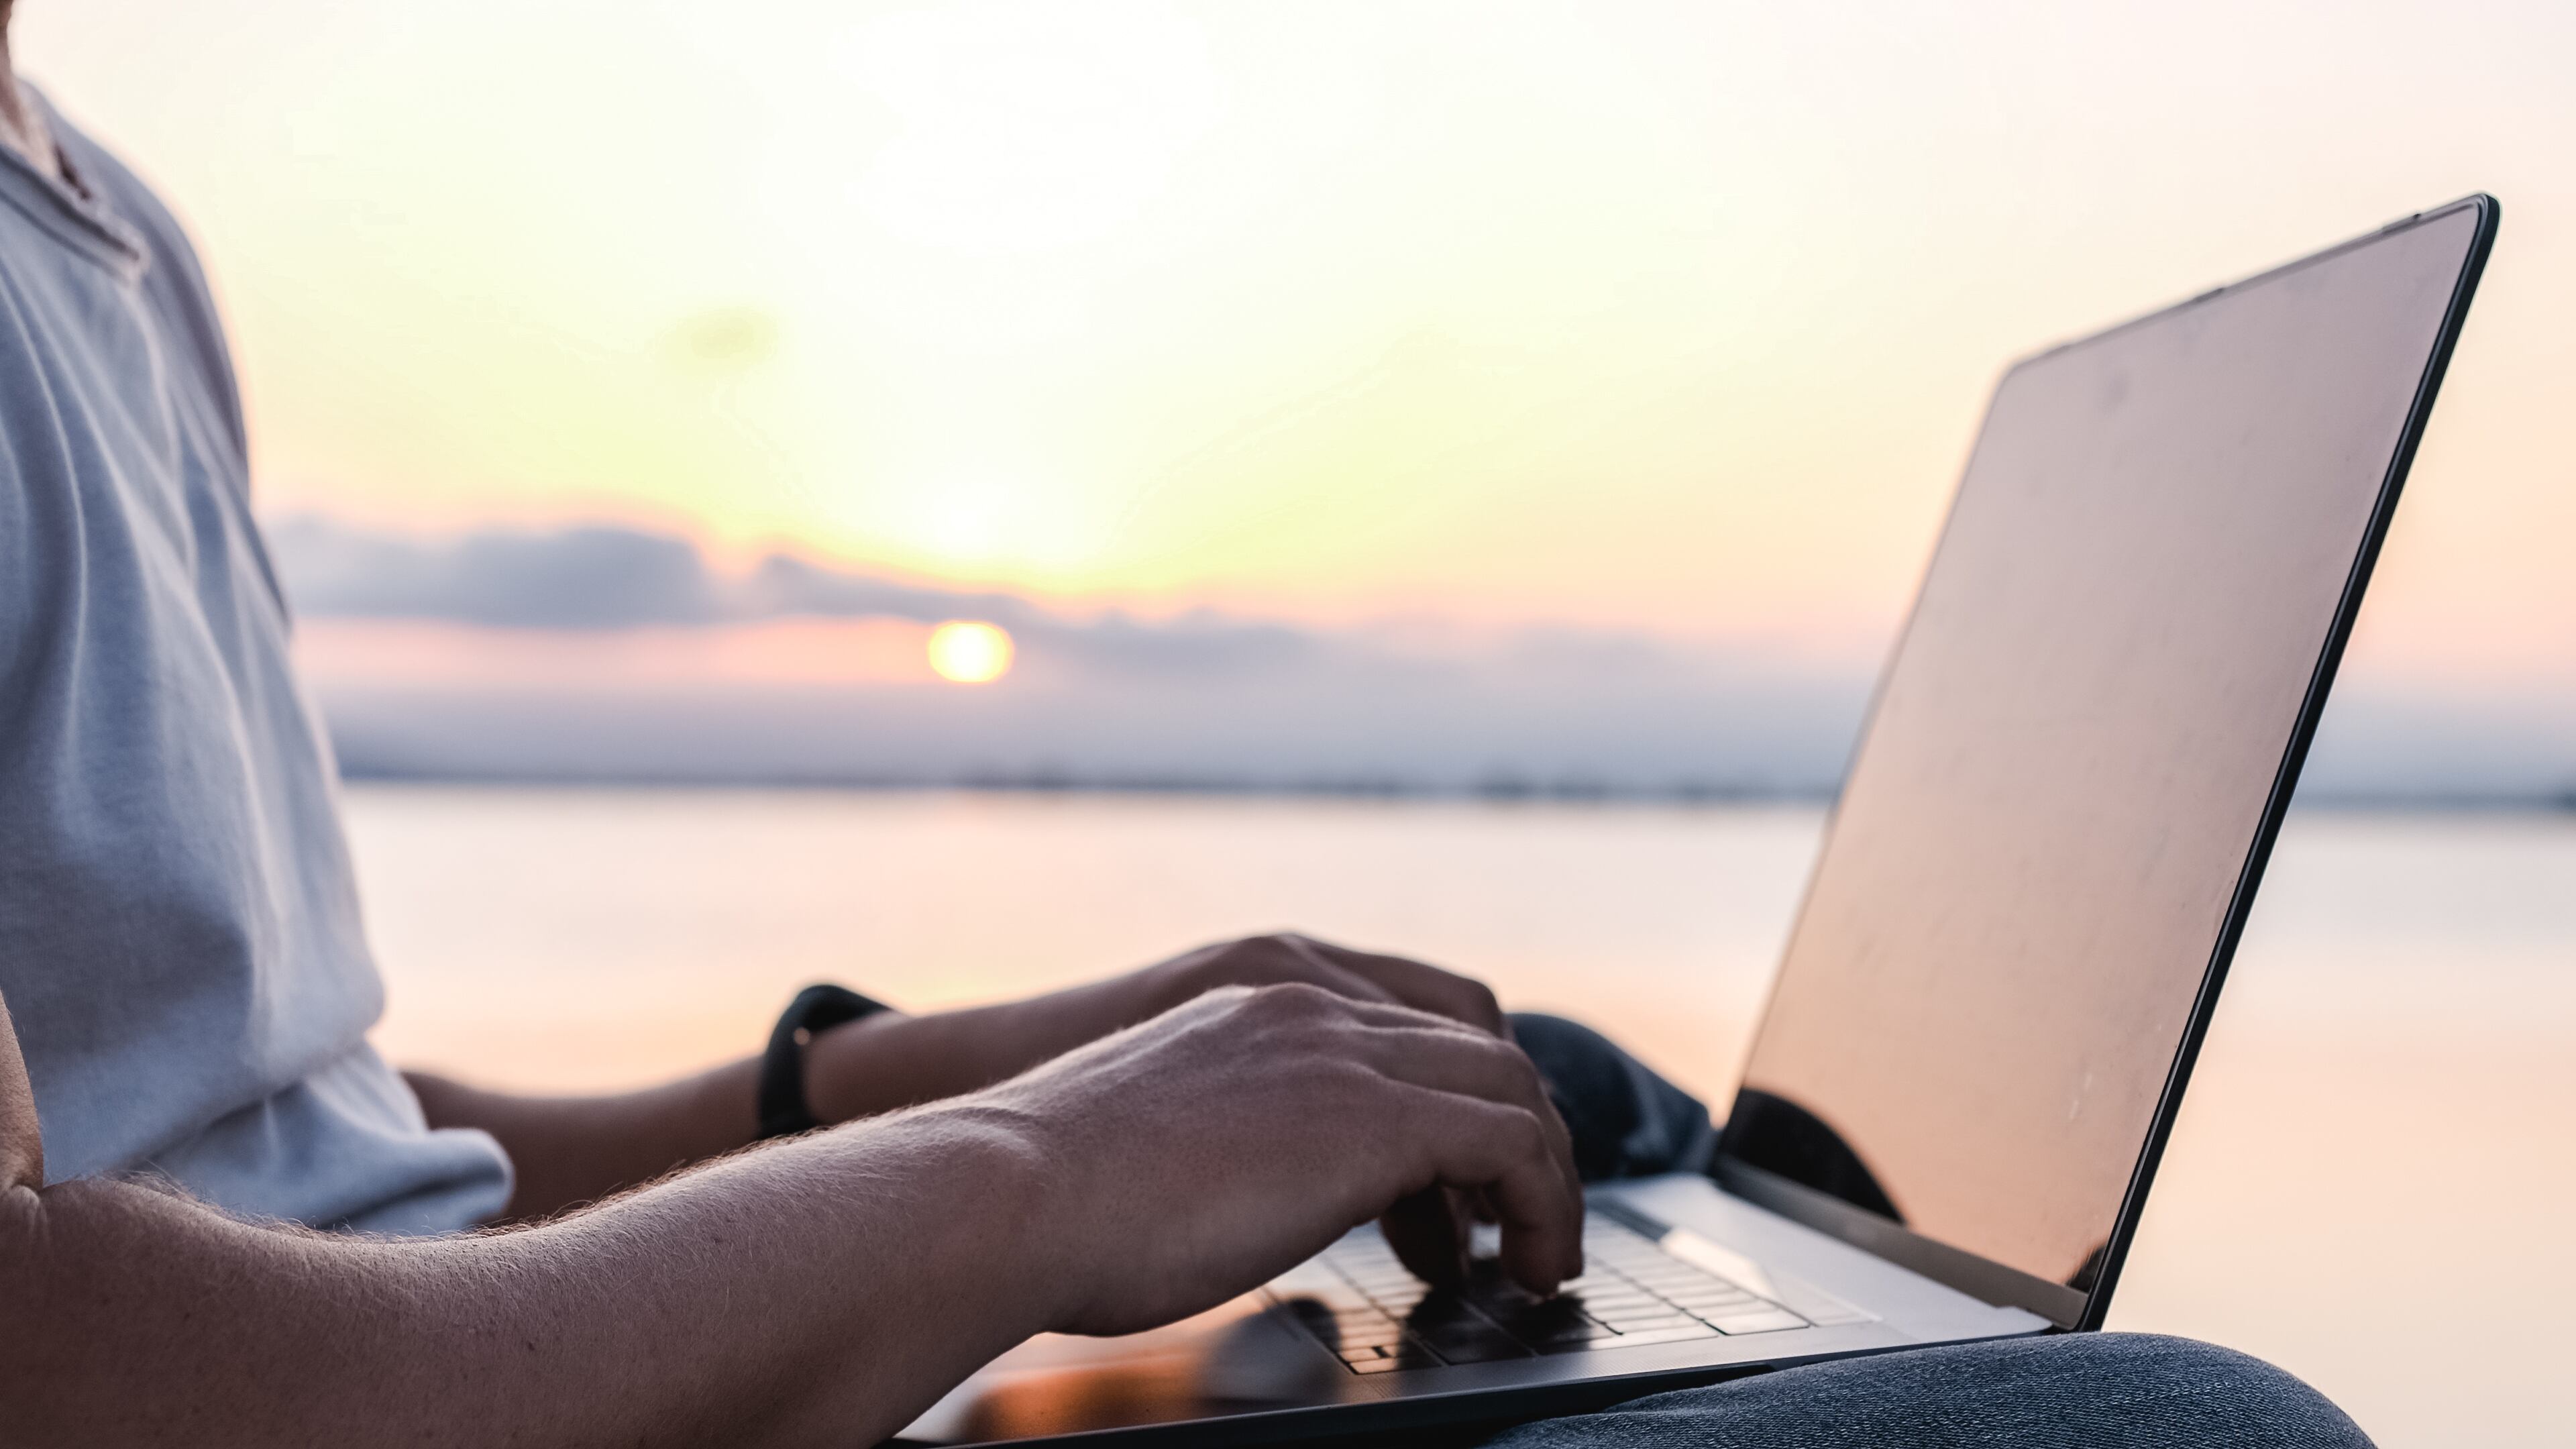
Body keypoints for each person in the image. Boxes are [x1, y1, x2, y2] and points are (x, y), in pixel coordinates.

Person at [0, 11, 2373, 1444]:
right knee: (2192, 1448)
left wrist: (961, 1066)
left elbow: (287, 1146)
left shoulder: (108, 221)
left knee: (1546, 1096)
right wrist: (1036, 1179)